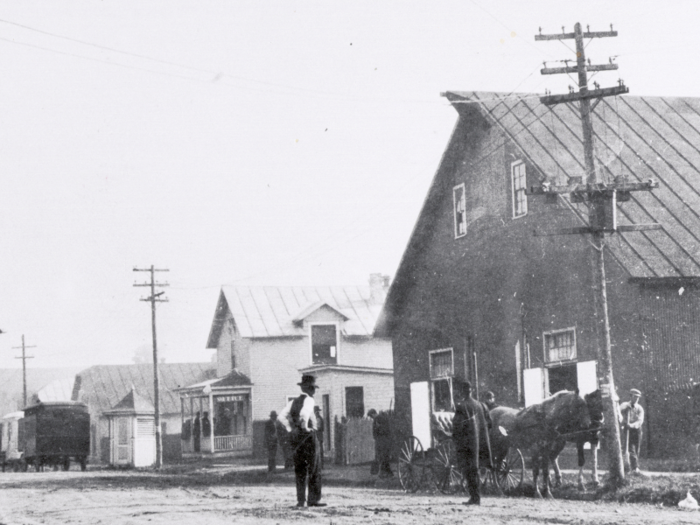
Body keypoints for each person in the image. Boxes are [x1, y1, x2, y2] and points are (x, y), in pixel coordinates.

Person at [279, 374, 326, 508]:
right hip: (309, 437)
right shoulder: (310, 400)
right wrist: (305, 427)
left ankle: (301, 501)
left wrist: (290, 428)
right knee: (314, 468)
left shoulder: (292, 402)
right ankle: (313, 500)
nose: (314, 391)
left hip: (296, 438)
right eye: (312, 388)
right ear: (308, 388)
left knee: (300, 469)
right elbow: (305, 414)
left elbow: (281, 417)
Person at [453, 379, 493, 506]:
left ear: (462, 391)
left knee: (470, 471)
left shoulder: (461, 406)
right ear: (471, 391)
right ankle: (476, 497)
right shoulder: (482, 405)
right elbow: (490, 424)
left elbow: (457, 428)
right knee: (475, 470)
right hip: (481, 444)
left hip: (468, 445)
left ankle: (474, 498)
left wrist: (457, 440)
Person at [619, 388, 645, 474]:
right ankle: (635, 468)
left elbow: (640, 421)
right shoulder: (624, 405)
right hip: (627, 430)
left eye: (638, 397)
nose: (636, 399)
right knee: (630, 449)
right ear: (630, 396)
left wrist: (632, 425)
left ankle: (633, 466)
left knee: (637, 449)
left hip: (636, 430)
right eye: (635, 397)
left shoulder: (639, 408)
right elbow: (619, 413)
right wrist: (623, 422)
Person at [367, 408, 393, 477]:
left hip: (382, 441)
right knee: (384, 457)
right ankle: (389, 473)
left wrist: (379, 429)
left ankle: (383, 473)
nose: (371, 418)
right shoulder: (380, 418)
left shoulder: (378, 419)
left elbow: (383, 430)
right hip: (383, 441)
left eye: (371, 416)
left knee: (383, 457)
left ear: (373, 414)